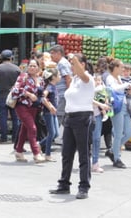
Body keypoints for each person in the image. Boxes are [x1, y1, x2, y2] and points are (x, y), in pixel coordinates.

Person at [49, 53, 95, 200]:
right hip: (70, 117)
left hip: (83, 118)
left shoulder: (87, 78)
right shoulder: (75, 80)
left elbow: (82, 73)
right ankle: (64, 184)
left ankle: (83, 187)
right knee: (66, 154)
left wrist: (73, 57)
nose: (72, 67)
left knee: (83, 154)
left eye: (74, 64)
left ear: (82, 65)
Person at [12, 59, 46, 163]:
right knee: (32, 128)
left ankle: (19, 151)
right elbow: (15, 90)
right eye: (30, 66)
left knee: (25, 129)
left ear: (38, 68)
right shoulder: (23, 76)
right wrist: (29, 94)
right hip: (22, 106)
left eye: (34, 66)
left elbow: (42, 93)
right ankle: (36, 153)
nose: (31, 67)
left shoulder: (40, 79)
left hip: (34, 108)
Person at [106, 58, 131, 169]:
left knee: (129, 133)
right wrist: (126, 85)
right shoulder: (109, 78)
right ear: (116, 68)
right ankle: (117, 158)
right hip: (117, 107)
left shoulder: (118, 78)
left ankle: (112, 150)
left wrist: (129, 90)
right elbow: (114, 89)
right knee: (118, 133)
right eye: (121, 67)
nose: (123, 69)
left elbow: (121, 90)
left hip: (124, 106)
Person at [0, 49, 21, 144]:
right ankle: (15, 138)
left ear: (1, 58)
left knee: (3, 117)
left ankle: (3, 137)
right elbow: (20, 83)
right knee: (15, 117)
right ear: (11, 58)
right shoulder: (17, 69)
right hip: (14, 96)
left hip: (2, 95)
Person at [49, 45, 72, 144]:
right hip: (61, 94)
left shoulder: (62, 63)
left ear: (59, 53)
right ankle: (70, 139)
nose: (51, 56)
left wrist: (68, 93)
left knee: (58, 116)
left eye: (53, 53)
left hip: (63, 95)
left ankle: (49, 139)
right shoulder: (60, 63)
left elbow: (68, 78)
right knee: (65, 118)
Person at [38, 67, 60, 162]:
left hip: (53, 113)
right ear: (53, 77)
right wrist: (50, 107)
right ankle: (47, 154)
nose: (60, 77)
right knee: (51, 133)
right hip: (48, 113)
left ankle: (39, 145)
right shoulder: (49, 87)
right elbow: (43, 97)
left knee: (55, 134)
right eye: (58, 75)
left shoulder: (53, 86)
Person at [91, 74, 111, 173]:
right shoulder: (89, 89)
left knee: (97, 139)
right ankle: (86, 161)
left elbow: (106, 97)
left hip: (98, 115)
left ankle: (95, 163)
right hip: (87, 115)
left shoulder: (102, 89)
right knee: (87, 139)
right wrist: (101, 104)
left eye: (98, 80)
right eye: (95, 80)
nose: (97, 82)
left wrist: (106, 103)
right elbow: (88, 100)